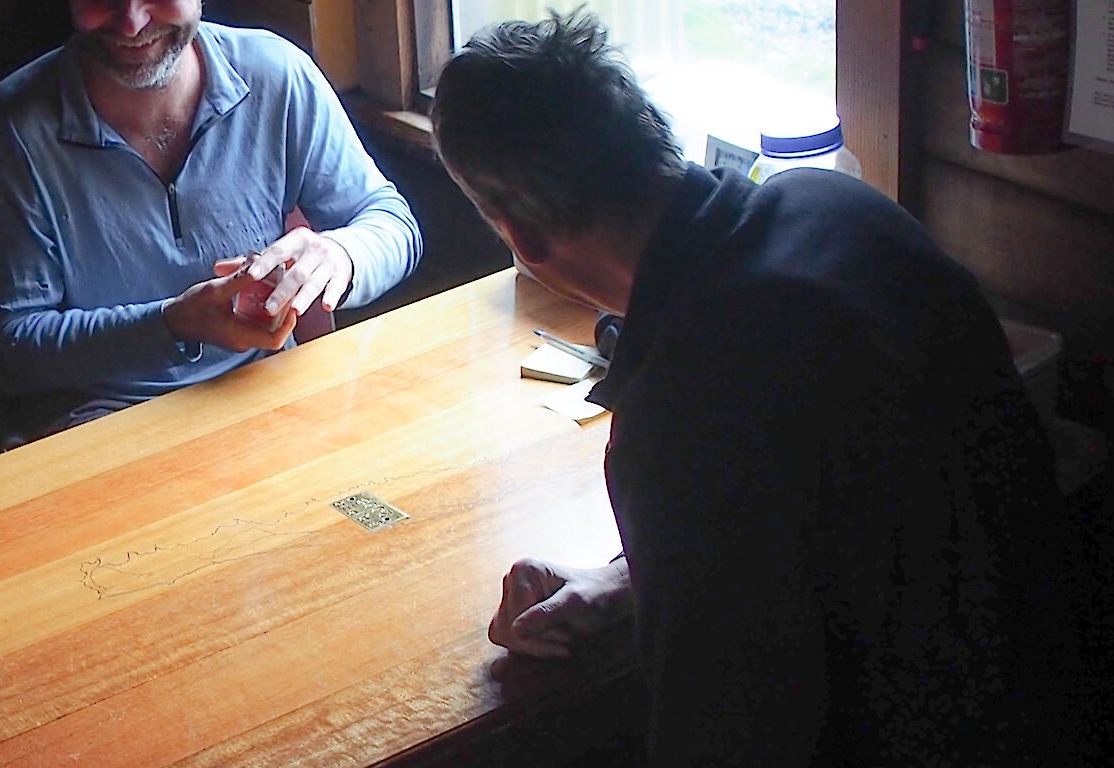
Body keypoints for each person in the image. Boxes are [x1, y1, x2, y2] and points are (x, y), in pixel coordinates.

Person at [433, 13, 1099, 765]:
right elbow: (845, 528)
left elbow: (725, 736)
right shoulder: (840, 208)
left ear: (521, 237)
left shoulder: (681, 416)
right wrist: (631, 578)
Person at [0, 0, 422, 443]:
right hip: (104, 427)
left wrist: (341, 253)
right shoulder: (14, 127)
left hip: (271, 401)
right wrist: (172, 325)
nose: (131, 22)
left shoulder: (275, 72)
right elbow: (8, 348)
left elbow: (391, 223)